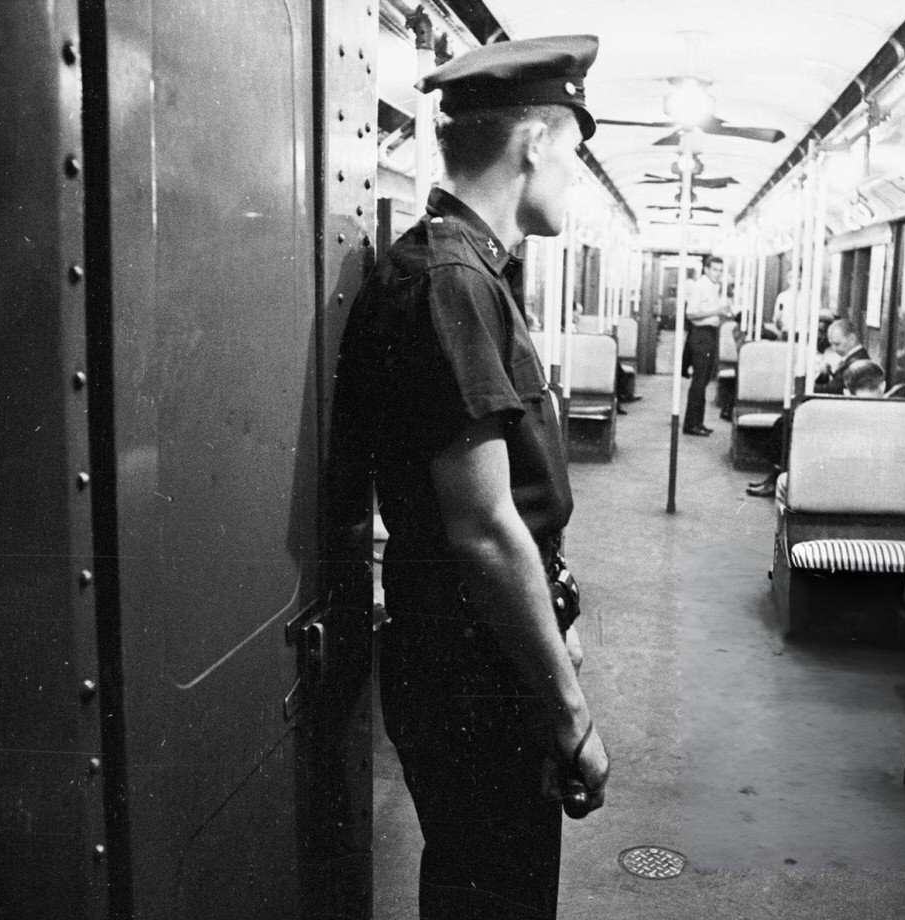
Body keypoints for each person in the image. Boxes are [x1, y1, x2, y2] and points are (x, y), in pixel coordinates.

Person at [330, 35, 609, 920]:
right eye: (574, 151)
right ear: (535, 143)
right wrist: (569, 712)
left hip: (483, 652)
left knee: (496, 885)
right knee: (495, 895)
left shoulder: (470, 271)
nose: (575, 175)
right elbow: (485, 529)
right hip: (472, 667)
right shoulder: (452, 281)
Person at [745, 359, 887, 497]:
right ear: (883, 386)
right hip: (880, 489)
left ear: (846, 392)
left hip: (840, 489)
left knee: (784, 480)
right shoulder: (898, 416)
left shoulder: (838, 420)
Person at [683, 254, 734, 435]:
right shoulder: (700, 287)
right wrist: (716, 311)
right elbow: (690, 314)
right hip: (701, 336)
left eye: (721, 270)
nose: (718, 273)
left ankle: (698, 422)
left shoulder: (712, 287)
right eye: (715, 269)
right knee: (699, 380)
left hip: (709, 335)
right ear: (706, 269)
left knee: (703, 380)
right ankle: (691, 424)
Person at [823, 318, 871, 394]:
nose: (833, 348)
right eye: (831, 344)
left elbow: (834, 389)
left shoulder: (856, 362)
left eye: (837, 344)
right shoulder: (856, 357)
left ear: (852, 339)